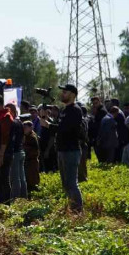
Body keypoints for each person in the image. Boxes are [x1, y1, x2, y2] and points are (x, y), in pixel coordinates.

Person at [53, 84, 84, 213]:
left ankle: (78, 211)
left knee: (72, 183)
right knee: (65, 184)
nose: (62, 94)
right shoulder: (64, 110)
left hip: (71, 151)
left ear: (72, 94)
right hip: (62, 149)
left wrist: (49, 126)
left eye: (65, 92)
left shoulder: (75, 110)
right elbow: (60, 127)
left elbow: (66, 129)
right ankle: (71, 209)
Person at [6, 103, 27, 200]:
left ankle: (16, 199)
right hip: (21, 150)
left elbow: (11, 139)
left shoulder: (12, 123)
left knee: (14, 178)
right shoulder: (20, 122)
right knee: (21, 177)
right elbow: (23, 138)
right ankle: (23, 197)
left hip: (14, 152)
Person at [23, 120, 41, 194]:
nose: (24, 129)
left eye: (25, 128)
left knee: (33, 178)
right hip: (27, 161)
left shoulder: (32, 137)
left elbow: (34, 150)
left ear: (31, 128)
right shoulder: (26, 136)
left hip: (32, 161)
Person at [38, 105, 57, 172]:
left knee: (50, 168)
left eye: (42, 110)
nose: (40, 112)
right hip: (42, 147)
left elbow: (52, 137)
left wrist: (47, 150)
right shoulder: (41, 121)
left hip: (49, 148)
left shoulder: (50, 121)